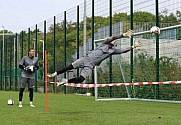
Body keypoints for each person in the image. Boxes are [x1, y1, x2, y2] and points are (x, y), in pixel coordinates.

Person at [48, 30, 141, 86]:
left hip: (91, 65)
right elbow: (113, 37)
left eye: (115, 41)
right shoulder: (104, 43)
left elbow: (123, 50)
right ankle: (54, 74)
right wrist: (123, 35)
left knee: (81, 79)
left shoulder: (113, 50)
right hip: (86, 59)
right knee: (70, 67)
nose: (114, 40)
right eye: (113, 40)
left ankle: (66, 81)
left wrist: (133, 46)